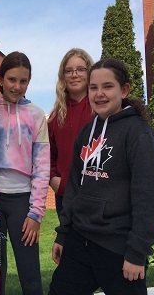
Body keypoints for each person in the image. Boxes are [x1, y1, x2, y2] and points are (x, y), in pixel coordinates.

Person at [49, 58, 154, 295]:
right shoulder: (87, 133)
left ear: (124, 90)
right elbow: (73, 189)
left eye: (107, 86)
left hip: (118, 247)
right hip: (80, 241)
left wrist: (137, 252)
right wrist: (64, 234)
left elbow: (148, 197)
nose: (99, 94)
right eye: (93, 87)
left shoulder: (139, 134)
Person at [0, 51, 50, 295]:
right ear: (0, 79)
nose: (17, 86)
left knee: (30, 273)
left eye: (23, 81)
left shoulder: (36, 115)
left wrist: (35, 212)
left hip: (22, 202)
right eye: (12, 79)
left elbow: (42, 166)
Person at [48, 48, 94, 218]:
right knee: (68, 243)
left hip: (98, 194)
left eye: (81, 69)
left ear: (90, 72)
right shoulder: (55, 116)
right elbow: (47, 155)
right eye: (69, 71)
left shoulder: (101, 109)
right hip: (65, 194)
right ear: (63, 76)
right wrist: (54, 180)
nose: (74, 75)